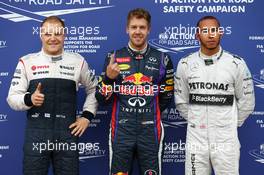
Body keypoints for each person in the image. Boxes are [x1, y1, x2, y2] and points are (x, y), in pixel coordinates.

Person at [7, 16, 98, 175]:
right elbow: (12, 98)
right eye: (48, 34)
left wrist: (87, 116)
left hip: (67, 136)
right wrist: (29, 99)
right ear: (41, 35)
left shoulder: (78, 61)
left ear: (65, 35)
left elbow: (94, 90)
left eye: (57, 33)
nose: (53, 38)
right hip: (37, 136)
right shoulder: (26, 61)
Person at [95, 8, 174, 175]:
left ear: (149, 29)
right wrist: (108, 79)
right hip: (122, 130)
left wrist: (148, 112)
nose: (138, 31)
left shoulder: (162, 59)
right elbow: (101, 99)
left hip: (150, 130)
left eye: (142, 27)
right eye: (134, 27)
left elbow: (166, 96)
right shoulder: (113, 57)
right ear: (127, 29)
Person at [174, 16, 255, 175]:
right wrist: (196, 121)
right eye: (205, 31)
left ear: (221, 33)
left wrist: (229, 125)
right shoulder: (185, 64)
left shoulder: (236, 63)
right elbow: (181, 101)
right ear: (197, 35)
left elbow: (247, 102)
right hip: (196, 139)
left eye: (214, 30)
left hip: (226, 140)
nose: (210, 35)